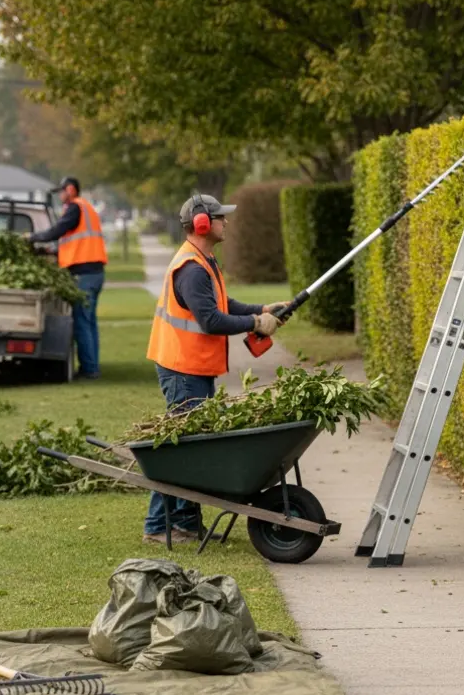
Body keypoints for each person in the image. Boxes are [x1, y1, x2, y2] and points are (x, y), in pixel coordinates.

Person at [142, 192, 292, 544]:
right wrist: (255, 323)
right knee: (184, 449)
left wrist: (261, 309)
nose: (226, 221)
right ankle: (162, 526)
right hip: (182, 370)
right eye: (220, 217)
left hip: (192, 368)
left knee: (190, 448)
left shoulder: (203, 261)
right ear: (202, 224)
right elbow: (211, 320)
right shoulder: (192, 269)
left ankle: (182, 522)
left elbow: (224, 303)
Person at [25, 176, 107, 380]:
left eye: (61, 191)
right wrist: (54, 251)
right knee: (89, 322)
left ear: (70, 190)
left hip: (84, 274)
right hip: (94, 272)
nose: (60, 196)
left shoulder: (74, 208)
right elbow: (74, 241)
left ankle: (90, 370)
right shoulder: (87, 207)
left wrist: (32, 237)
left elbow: (57, 231)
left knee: (82, 322)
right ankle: (92, 366)